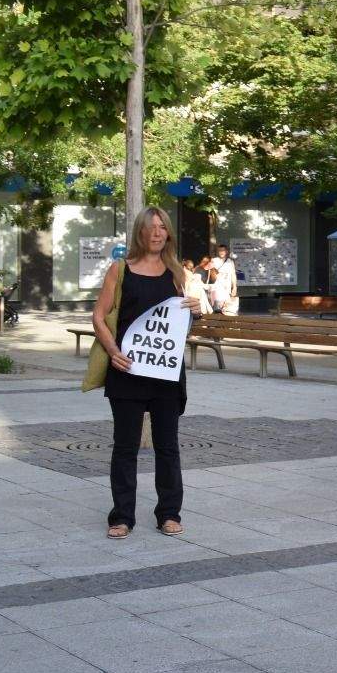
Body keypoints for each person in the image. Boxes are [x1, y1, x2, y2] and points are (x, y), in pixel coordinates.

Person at [89, 207, 200, 539]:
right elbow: (99, 316)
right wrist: (113, 352)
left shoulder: (177, 272)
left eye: (162, 227)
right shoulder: (120, 270)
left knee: (168, 446)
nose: (157, 233)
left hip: (165, 373)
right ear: (139, 232)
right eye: (151, 227)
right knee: (125, 447)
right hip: (127, 371)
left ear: (168, 234)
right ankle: (122, 516)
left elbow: (179, 327)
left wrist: (196, 311)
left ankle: (168, 513)